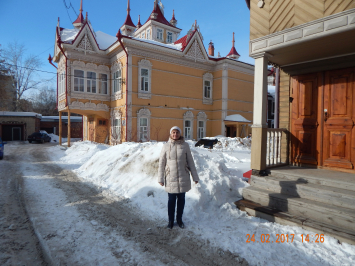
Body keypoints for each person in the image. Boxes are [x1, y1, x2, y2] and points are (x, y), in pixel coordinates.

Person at [158, 126, 199, 229]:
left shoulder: (185, 146)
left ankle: (179, 219)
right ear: (170, 134)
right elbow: (161, 163)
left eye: (177, 132)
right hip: (170, 177)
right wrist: (160, 178)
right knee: (171, 200)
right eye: (173, 132)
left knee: (181, 200)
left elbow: (190, 162)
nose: (175, 134)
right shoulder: (166, 146)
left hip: (183, 177)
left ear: (180, 134)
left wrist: (195, 177)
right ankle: (171, 221)